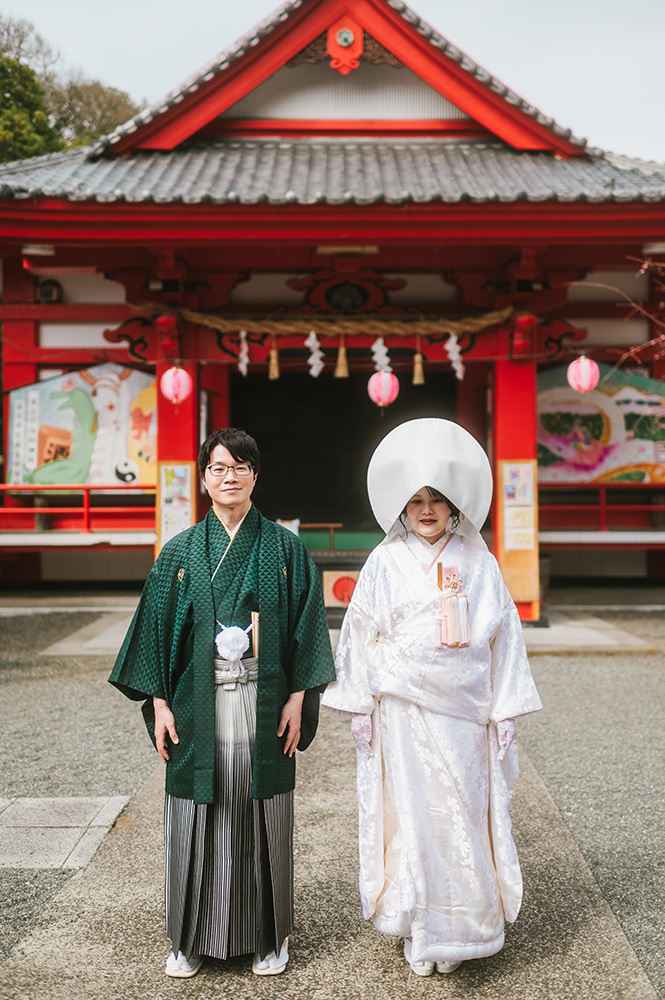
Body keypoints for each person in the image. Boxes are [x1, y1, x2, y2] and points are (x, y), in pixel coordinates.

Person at [109, 427, 335, 979]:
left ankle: (268, 937)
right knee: (195, 815)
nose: (228, 477)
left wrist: (298, 696)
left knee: (262, 816)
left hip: (265, 702)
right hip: (196, 704)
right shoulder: (181, 551)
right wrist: (160, 704)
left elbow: (309, 627)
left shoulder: (283, 547)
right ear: (204, 478)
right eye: (218, 467)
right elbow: (155, 633)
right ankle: (189, 939)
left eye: (239, 467)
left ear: (255, 475)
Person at [322, 418, 541, 977]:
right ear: (402, 506)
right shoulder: (384, 561)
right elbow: (359, 631)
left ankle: (465, 928)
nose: (426, 511)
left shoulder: (479, 562)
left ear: (455, 507)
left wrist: (504, 707)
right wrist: (360, 702)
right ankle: (422, 927)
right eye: (416, 500)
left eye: (437, 501)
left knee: (464, 816)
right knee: (413, 816)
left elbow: (504, 637)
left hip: (464, 711)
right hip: (402, 708)